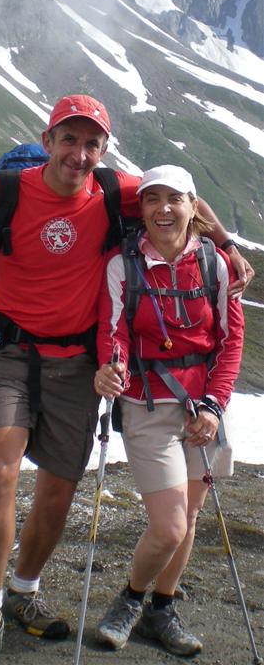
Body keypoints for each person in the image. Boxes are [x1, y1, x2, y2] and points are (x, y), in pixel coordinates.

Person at [0, 96, 252, 664]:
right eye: (70, 139)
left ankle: (24, 592)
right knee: (0, 467)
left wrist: (227, 245)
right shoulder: (6, 192)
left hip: (76, 367)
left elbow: (181, 197)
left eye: (92, 143)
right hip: (13, 355)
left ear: (103, 150)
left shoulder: (117, 191)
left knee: (58, 489)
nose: (80, 153)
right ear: (48, 141)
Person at [94, 165, 244, 657]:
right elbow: (112, 330)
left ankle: (162, 608)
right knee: (171, 526)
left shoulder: (215, 264)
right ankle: (132, 598)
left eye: (173, 199)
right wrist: (111, 366)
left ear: (192, 205)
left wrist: (216, 406)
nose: (163, 208)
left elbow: (229, 340)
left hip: (203, 411)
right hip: (148, 405)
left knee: (191, 518)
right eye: (152, 199)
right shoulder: (123, 264)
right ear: (140, 210)